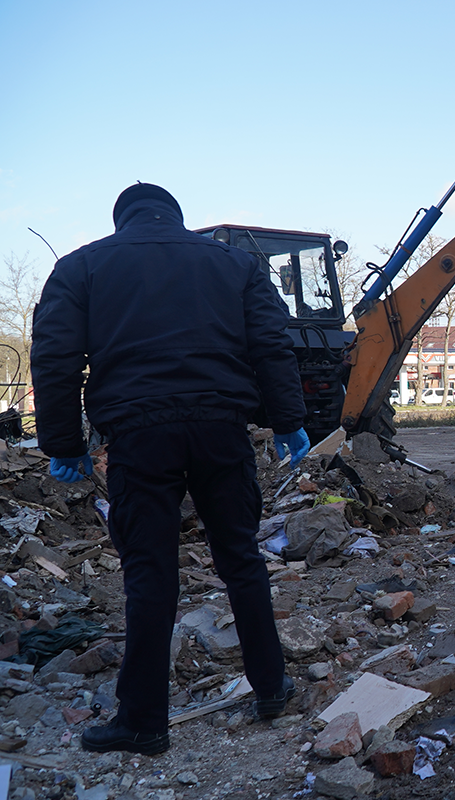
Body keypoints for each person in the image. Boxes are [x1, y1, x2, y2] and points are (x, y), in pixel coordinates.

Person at [30, 183, 310, 755]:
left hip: (139, 436)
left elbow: (55, 356)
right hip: (221, 428)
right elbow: (272, 345)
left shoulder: (80, 267)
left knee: (150, 572)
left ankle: (143, 723)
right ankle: (272, 686)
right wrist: (287, 420)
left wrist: (63, 443)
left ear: (121, 220)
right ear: (177, 218)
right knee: (240, 556)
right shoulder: (233, 264)